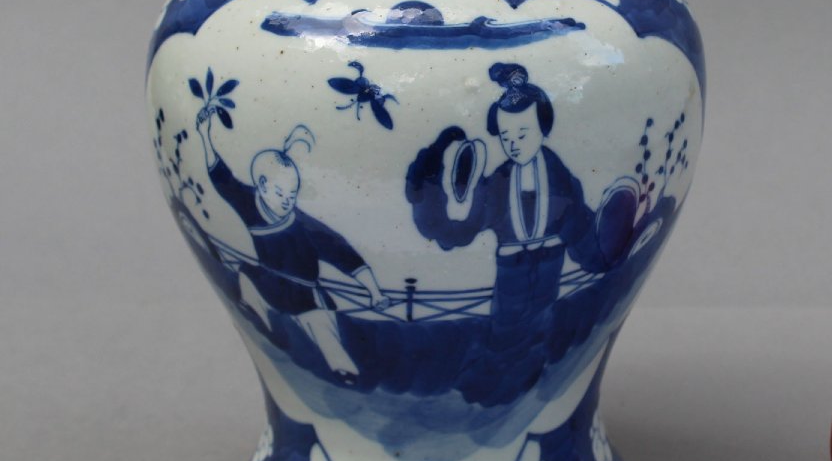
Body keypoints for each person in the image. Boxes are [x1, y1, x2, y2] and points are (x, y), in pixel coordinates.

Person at [407, 63, 606, 340]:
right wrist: (425, 187)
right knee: (506, 331)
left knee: (544, 330)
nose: (513, 144)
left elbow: (577, 219)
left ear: (544, 129)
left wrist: (601, 257)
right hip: (512, 266)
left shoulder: (558, 174)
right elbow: (462, 229)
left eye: (522, 134)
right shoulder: (496, 183)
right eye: (505, 137)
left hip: (551, 260)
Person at [196, 110, 386, 380]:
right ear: (261, 186)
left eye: (292, 194)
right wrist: (204, 135)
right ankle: (265, 326)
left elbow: (346, 256)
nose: (287, 201)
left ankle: (344, 371)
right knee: (246, 276)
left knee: (323, 328)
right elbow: (221, 178)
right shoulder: (248, 204)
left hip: (304, 295)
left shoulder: (307, 228)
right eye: (279, 192)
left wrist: (374, 292)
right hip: (268, 282)